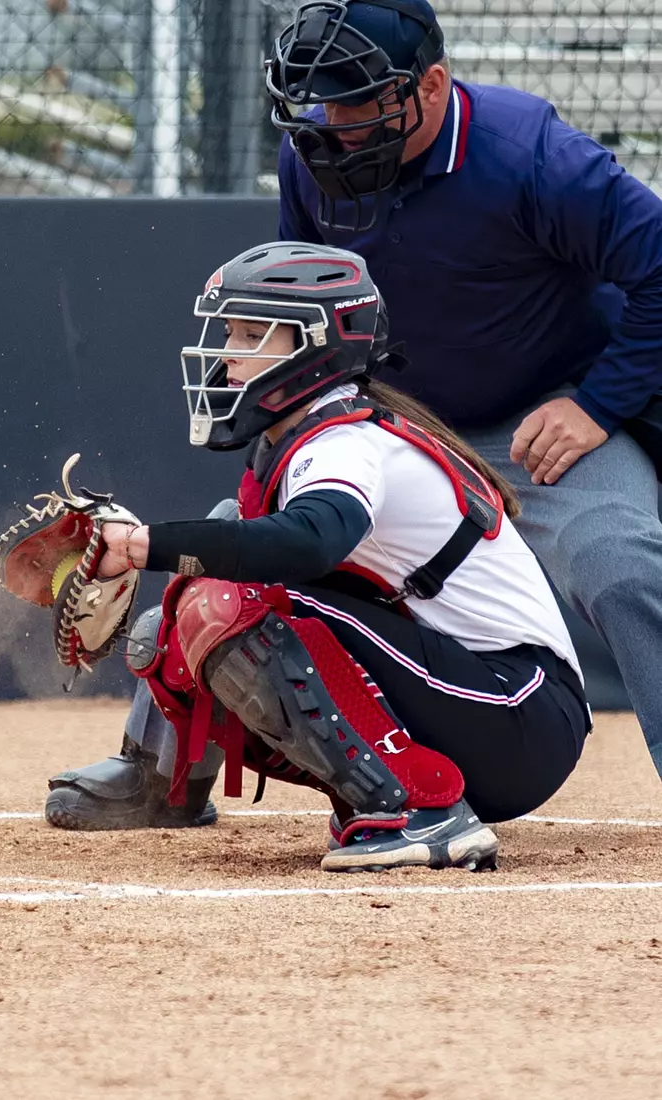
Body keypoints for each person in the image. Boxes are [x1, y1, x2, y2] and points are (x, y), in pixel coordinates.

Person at [52, 240, 590, 872]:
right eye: (230, 332)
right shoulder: (308, 435)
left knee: (228, 601)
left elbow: (311, 539)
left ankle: (418, 812)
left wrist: (144, 546)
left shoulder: (346, 441)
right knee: (198, 593)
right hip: (481, 700)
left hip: (517, 710)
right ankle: (165, 782)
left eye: (253, 335)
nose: (228, 354)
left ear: (318, 347)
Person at [262, 0, 662, 784]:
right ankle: (159, 764)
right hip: (391, 423)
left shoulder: (531, 155)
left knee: (620, 562)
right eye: (320, 101)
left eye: (357, 100)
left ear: (432, 85)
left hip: (540, 420)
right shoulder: (308, 157)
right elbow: (302, 303)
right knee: (239, 541)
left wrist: (598, 405)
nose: (333, 123)